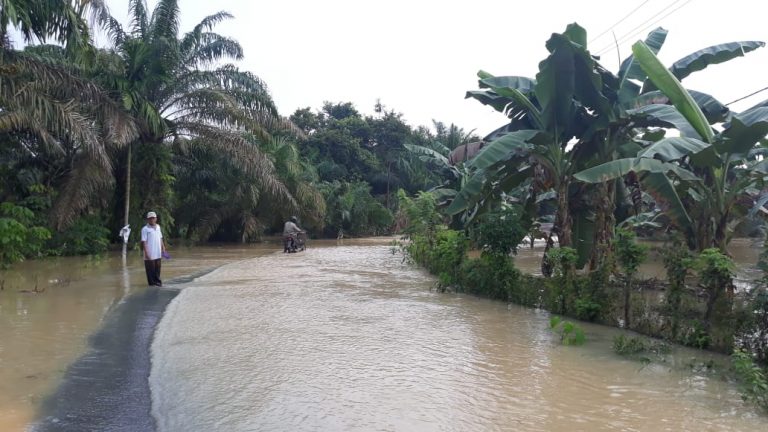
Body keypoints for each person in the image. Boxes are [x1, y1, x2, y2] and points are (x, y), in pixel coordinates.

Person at [141, 211, 166, 286]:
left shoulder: (158, 227)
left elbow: (160, 238)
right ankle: (152, 284)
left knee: (157, 268)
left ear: (156, 219)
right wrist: (147, 253)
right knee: (150, 270)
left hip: (158, 252)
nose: (152, 219)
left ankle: (158, 282)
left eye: (153, 218)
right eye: (150, 218)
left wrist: (163, 247)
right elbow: (144, 242)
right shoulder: (145, 229)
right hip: (149, 253)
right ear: (147, 220)